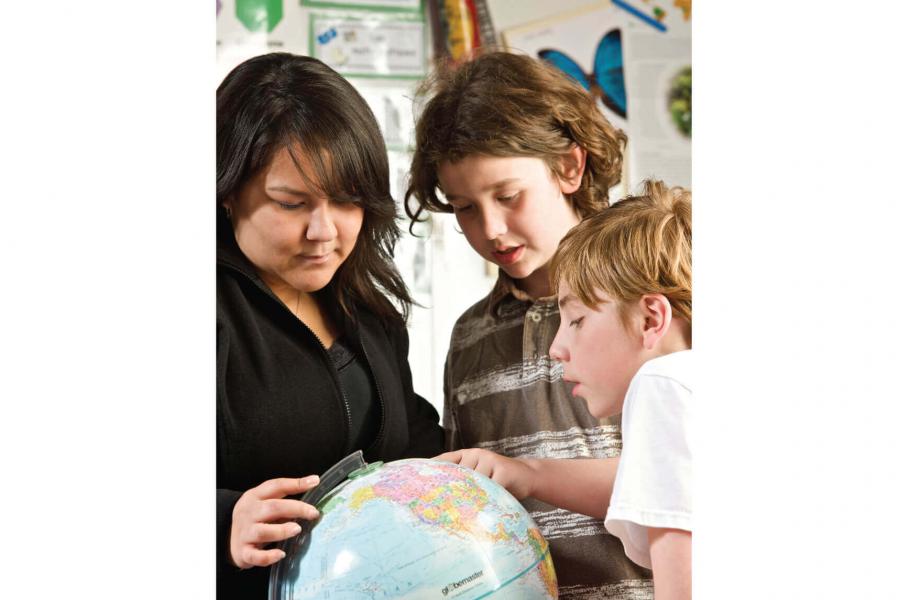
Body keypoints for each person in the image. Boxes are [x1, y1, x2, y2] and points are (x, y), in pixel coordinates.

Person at [405, 50, 653, 597]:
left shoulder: (656, 300)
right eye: (465, 207)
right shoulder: (469, 337)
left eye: (508, 196)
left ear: (569, 166)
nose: (491, 229)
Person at [216, 52, 444, 599]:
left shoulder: (369, 310)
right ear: (226, 191)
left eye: (346, 201)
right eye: (291, 203)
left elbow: (412, 443)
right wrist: (222, 520)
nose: (323, 232)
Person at [441, 182, 693, 599]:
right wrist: (527, 473)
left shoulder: (662, 386)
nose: (557, 348)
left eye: (575, 320)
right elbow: (650, 483)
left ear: (651, 318)